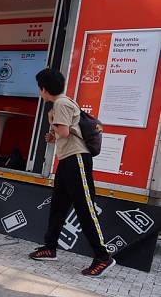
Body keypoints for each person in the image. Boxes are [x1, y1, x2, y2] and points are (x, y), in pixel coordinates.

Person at [29, 68, 114, 277]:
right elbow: (65, 134)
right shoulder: (61, 104)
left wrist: (54, 123)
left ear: (44, 88)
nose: (39, 92)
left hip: (77, 159)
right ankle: (50, 247)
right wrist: (54, 134)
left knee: (85, 209)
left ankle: (103, 256)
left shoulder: (61, 103)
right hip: (67, 160)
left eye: (39, 88)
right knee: (58, 206)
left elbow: (65, 131)